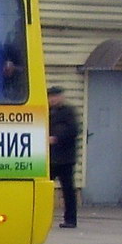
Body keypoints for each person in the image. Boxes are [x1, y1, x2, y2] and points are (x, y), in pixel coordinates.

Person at [48, 86, 79, 229]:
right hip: (49, 158)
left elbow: (73, 130)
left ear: (61, 97)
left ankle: (71, 220)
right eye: (51, 97)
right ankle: (45, 218)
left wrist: (56, 138)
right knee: (46, 191)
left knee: (68, 190)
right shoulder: (47, 112)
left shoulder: (68, 112)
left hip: (65, 158)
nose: (53, 99)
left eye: (55, 96)